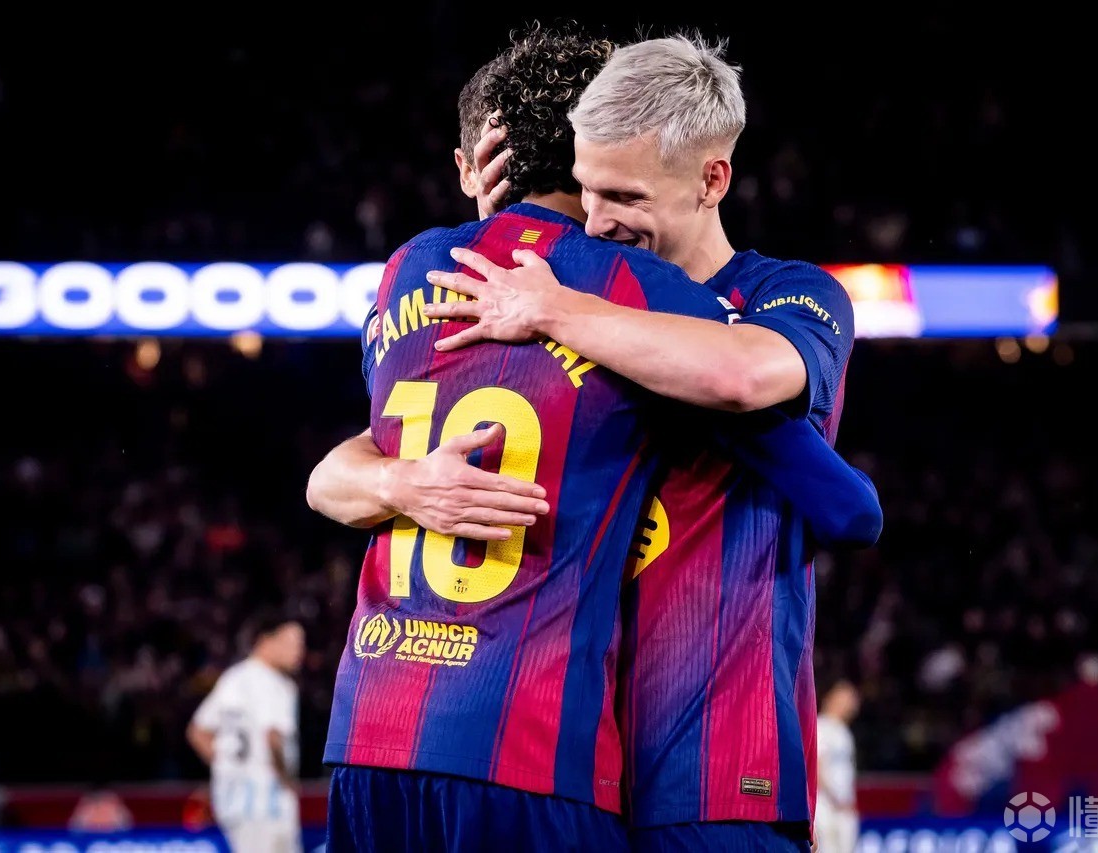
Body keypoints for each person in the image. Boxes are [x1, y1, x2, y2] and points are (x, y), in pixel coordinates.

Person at [313, 24, 879, 853]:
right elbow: (341, 465)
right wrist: (519, 251)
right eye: (585, 191)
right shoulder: (552, 287)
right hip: (569, 755)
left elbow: (779, 417)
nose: (600, 221)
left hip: (709, 769)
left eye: (623, 196)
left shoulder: (784, 295)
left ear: (710, 179)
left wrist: (550, 298)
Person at [187, 612, 305, 853]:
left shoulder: (233, 678)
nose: (299, 651)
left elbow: (197, 732)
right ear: (266, 640)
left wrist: (226, 764)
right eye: (291, 642)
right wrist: (287, 782)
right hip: (268, 801)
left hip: (232, 800)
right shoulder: (277, 684)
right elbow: (273, 738)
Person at [815, 681, 861, 853]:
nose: (850, 703)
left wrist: (848, 802)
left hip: (844, 807)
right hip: (825, 805)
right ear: (831, 698)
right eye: (845, 697)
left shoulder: (844, 731)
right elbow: (816, 768)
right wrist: (835, 799)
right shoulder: (820, 726)